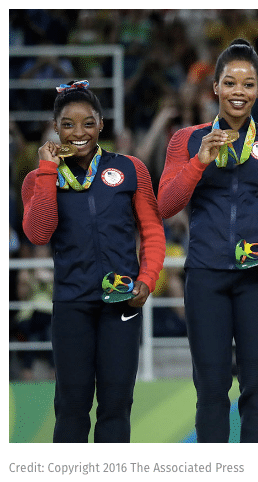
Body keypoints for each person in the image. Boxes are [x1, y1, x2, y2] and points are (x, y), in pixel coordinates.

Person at [158, 39, 258, 443]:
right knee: (210, 389)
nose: (239, 91)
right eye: (230, 82)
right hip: (205, 275)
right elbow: (166, 204)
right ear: (216, 89)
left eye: (248, 83)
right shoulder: (186, 141)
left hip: (257, 275)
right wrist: (198, 163)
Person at [21, 80, 165, 442]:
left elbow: (152, 231)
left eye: (88, 122)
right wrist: (47, 172)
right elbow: (39, 233)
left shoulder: (130, 169)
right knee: (71, 406)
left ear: (101, 124)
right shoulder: (37, 178)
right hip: (72, 303)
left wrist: (146, 279)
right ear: (55, 128)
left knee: (117, 405)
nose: (79, 132)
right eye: (68, 124)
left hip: (123, 302)